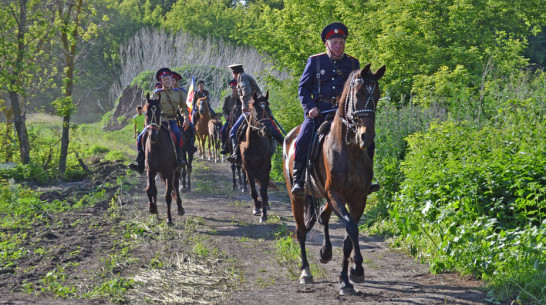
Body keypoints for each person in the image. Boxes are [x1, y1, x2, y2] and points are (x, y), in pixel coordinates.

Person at [291, 22, 379, 196]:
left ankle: (366, 180)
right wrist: (309, 107)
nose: (338, 46)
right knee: (303, 139)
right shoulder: (315, 61)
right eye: (334, 43)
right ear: (327, 44)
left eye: (341, 42)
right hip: (319, 111)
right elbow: (303, 88)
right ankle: (299, 179)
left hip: (345, 113)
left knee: (369, 139)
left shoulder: (353, 63)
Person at [128, 68, 190, 173]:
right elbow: (149, 107)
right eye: (164, 79)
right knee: (141, 136)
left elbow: (183, 108)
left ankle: (180, 160)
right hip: (159, 121)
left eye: (168, 78)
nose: (167, 81)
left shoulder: (178, 93)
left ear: (171, 79)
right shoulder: (156, 94)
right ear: (161, 82)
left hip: (172, 120)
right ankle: (140, 162)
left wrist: (186, 118)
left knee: (178, 135)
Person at [226, 64, 284, 163]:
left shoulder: (241, 77)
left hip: (254, 107)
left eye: (232, 73)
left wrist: (244, 105)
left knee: (233, 131)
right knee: (271, 127)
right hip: (260, 105)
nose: (233, 75)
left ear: (235, 73)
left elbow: (246, 91)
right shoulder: (246, 76)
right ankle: (284, 143)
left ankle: (236, 155)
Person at [171, 71, 198, 153]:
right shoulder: (165, 91)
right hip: (167, 115)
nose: (171, 82)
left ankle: (190, 145)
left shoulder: (181, 91)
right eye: (170, 80)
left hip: (180, 114)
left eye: (173, 80)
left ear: (177, 81)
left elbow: (184, 104)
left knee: (191, 128)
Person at [219, 79, 240, 154]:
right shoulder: (227, 98)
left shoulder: (240, 98)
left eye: (235, 88)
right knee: (223, 130)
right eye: (233, 88)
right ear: (231, 89)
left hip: (238, 119)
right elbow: (224, 109)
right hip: (230, 120)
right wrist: (226, 116)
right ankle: (224, 146)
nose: (234, 89)